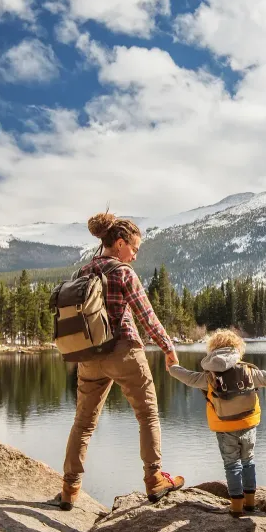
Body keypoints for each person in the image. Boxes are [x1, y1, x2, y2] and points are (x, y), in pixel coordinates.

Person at [57, 213, 184, 510]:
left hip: (89, 356)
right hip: (125, 351)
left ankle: (69, 488)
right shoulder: (123, 272)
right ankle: (154, 480)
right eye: (134, 249)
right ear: (119, 243)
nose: (135, 256)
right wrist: (168, 348)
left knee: (83, 423)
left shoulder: (83, 272)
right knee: (148, 415)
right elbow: (147, 317)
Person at [168, 329, 266, 517]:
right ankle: (250, 503)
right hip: (248, 423)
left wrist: (172, 367)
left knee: (231, 465)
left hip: (224, 427)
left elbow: (188, 377)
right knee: (248, 461)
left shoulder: (210, 376)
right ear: (237, 349)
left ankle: (236, 507)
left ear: (213, 349)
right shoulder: (249, 371)